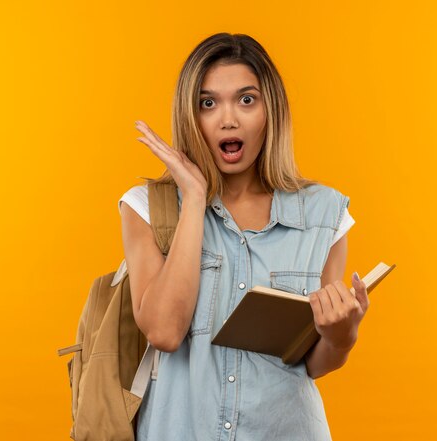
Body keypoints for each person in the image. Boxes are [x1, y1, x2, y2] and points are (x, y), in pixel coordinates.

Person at [118, 33, 369, 441]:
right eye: (208, 102)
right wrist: (195, 198)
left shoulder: (326, 215)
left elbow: (314, 364)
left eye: (246, 100)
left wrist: (341, 336)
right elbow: (164, 332)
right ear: (190, 113)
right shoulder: (147, 207)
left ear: (271, 111)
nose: (228, 119)